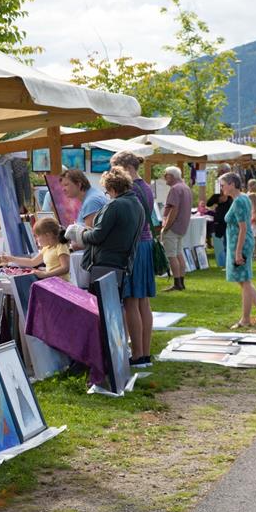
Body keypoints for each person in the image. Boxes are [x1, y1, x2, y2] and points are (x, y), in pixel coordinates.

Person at [111, 152, 156, 367]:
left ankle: (137, 354)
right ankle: (144, 352)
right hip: (145, 244)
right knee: (143, 301)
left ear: (125, 167)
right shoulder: (145, 186)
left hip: (134, 247)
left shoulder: (131, 190)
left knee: (131, 302)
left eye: (115, 168)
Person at [220, 172, 256, 328]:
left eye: (223, 185)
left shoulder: (239, 201)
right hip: (240, 242)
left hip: (240, 243)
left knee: (245, 282)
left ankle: (246, 319)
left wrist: (237, 252)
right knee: (245, 281)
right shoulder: (242, 198)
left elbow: (242, 228)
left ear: (232, 184)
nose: (221, 188)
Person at [79, 168, 145, 288]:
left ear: (113, 189)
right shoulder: (138, 205)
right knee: (113, 303)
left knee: (100, 304)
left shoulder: (114, 205)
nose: (107, 195)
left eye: (107, 192)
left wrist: (80, 233)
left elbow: (97, 236)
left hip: (105, 263)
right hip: (123, 263)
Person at [0, 217, 71, 281]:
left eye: (37, 236)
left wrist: (45, 274)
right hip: (53, 284)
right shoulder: (46, 248)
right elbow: (32, 262)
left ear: (47, 235)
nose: (36, 239)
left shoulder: (61, 246)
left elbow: (65, 268)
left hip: (63, 286)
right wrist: (11, 259)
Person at [161, 166, 194, 291]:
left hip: (174, 227)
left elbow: (173, 210)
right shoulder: (185, 188)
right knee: (179, 254)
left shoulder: (175, 189)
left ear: (171, 176)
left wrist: (166, 226)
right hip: (182, 227)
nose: (165, 178)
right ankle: (181, 282)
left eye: (166, 175)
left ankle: (177, 283)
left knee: (171, 255)